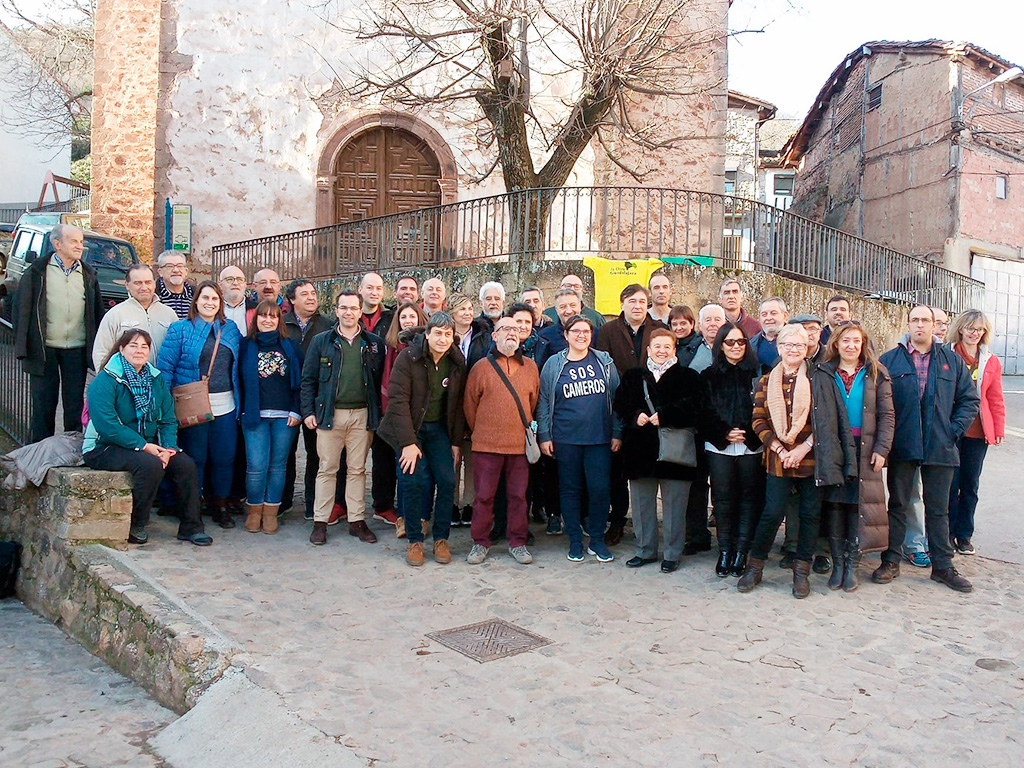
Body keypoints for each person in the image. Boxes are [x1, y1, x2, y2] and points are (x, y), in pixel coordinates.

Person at [737, 323, 856, 598]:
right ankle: (755, 567)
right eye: (788, 344)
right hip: (777, 459)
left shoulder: (819, 378)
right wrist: (779, 449)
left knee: (810, 515)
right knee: (771, 513)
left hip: (811, 457)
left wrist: (802, 448)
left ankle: (801, 572)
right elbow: (758, 420)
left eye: (799, 345)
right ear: (779, 348)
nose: (793, 349)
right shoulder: (765, 381)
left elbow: (826, 420)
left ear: (807, 349)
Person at [872, 305, 980, 593]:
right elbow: (879, 405)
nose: (920, 325)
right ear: (908, 324)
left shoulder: (952, 361)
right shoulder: (889, 361)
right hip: (903, 443)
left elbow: (969, 400)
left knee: (939, 509)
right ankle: (891, 560)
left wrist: (952, 431)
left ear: (935, 325)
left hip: (940, 445)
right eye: (915, 320)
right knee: (898, 504)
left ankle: (943, 566)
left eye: (926, 320)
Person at [82, 329, 212, 546]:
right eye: (133, 345)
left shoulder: (155, 379)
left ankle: (191, 527)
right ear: (122, 349)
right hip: (104, 446)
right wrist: (144, 446)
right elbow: (108, 426)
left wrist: (169, 448)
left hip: (148, 444)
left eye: (144, 347)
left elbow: (168, 418)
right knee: (149, 465)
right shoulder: (105, 381)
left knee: (186, 465)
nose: (139, 351)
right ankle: (137, 524)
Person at [614, 327, 708, 572]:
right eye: (657, 346)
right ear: (648, 350)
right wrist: (636, 416)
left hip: (675, 451)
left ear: (674, 349)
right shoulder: (634, 376)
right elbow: (620, 403)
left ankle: (672, 554)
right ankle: (645, 551)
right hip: (640, 451)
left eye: (667, 346)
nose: (662, 351)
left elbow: (697, 406)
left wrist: (666, 415)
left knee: (675, 507)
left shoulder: (688, 376)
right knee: (642, 506)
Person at [378, 312, 466, 567]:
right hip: (408, 429)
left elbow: (458, 404)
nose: (442, 338)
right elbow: (397, 402)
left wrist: (456, 441)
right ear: (427, 334)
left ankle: (441, 538)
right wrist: (407, 443)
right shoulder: (408, 358)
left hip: (438, 430)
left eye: (447, 334)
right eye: (437, 333)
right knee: (412, 481)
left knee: (448, 481)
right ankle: (415, 540)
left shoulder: (456, 362)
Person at [301, 290, 385, 546]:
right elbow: (308, 380)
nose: (349, 313)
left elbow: (379, 379)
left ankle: (357, 521)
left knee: (358, 470)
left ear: (361, 312)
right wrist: (308, 412)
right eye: (343, 308)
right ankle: (320, 521)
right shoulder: (321, 341)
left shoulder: (372, 343)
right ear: (336, 311)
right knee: (327, 469)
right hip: (330, 415)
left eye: (353, 308)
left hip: (362, 415)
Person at [157, 281, 242, 529]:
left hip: (225, 403)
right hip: (192, 404)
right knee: (196, 459)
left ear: (220, 303)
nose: (210, 303)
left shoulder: (231, 330)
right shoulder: (179, 329)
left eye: (215, 299)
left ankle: (220, 505)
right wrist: (165, 405)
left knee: (224, 457)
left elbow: (236, 367)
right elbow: (166, 368)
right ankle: (192, 505)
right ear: (196, 301)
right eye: (205, 298)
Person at [538, 314, 621, 562]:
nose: (581, 335)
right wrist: (544, 434)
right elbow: (543, 401)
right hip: (565, 439)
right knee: (570, 490)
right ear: (566, 335)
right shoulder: (554, 364)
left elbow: (617, 400)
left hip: (599, 439)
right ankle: (574, 539)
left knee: (599, 489)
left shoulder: (604, 362)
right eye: (576, 331)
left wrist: (617, 432)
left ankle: (596, 539)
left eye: (585, 331)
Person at [821, 322, 895, 592]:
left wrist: (881, 448)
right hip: (834, 446)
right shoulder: (824, 372)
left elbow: (887, 414)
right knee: (836, 504)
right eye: (845, 340)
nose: (851, 345)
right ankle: (837, 562)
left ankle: (853, 562)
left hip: (865, 446)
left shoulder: (877, 373)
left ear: (863, 344)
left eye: (856, 341)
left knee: (858, 505)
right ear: (836, 344)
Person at [15, 223, 103, 442]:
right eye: (74, 241)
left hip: (77, 349)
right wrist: (23, 347)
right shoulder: (37, 272)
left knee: (74, 405)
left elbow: (97, 313)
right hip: (44, 350)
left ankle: (71, 451)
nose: (80, 246)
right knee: (43, 406)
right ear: (57, 244)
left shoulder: (88, 274)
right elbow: (20, 309)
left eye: (81, 241)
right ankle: (39, 455)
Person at [463, 316, 540, 565]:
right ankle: (480, 542)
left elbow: (533, 403)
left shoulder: (530, 367)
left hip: (519, 446)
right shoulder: (480, 368)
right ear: (494, 336)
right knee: (484, 496)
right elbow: (470, 406)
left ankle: (517, 542)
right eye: (505, 328)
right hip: (486, 445)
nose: (512, 333)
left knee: (518, 496)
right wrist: (485, 431)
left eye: (516, 329)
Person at [596, 283, 665, 546]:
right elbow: (604, 366)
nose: (637, 306)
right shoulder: (607, 330)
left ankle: (648, 525)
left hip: (651, 412)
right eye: (632, 301)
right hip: (620, 407)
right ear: (622, 303)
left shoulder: (659, 329)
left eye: (642, 301)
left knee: (648, 468)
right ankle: (617, 520)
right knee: (617, 469)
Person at [700, 323, 764, 578]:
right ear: (721, 345)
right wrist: (723, 432)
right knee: (723, 500)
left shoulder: (759, 373)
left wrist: (748, 432)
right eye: (730, 342)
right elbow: (703, 412)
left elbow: (767, 410)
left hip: (751, 445)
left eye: (740, 342)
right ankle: (725, 550)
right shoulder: (708, 375)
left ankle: (741, 551)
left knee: (749, 499)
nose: (736, 346)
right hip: (719, 447)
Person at [238, 300, 303, 534]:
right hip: (255, 415)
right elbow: (237, 380)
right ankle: (254, 510)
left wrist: (298, 410)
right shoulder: (245, 346)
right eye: (263, 316)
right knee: (256, 465)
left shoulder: (291, 346)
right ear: (256, 320)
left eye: (273, 316)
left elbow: (302, 382)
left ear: (279, 320)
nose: (268, 320)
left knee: (277, 466)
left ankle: (271, 512)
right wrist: (242, 409)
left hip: (285, 416)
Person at [946, 309, 1004, 556]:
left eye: (979, 329)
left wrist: (998, 427)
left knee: (970, 485)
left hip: (978, 432)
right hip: (950, 429)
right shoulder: (947, 354)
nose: (974, 333)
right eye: (970, 328)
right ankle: (946, 533)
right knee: (949, 484)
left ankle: (964, 534)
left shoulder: (990, 360)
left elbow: (995, 397)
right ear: (961, 328)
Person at [281, 279, 334, 520]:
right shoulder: (282, 324)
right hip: (287, 398)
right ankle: (282, 501)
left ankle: (314, 504)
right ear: (292, 299)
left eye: (313, 293)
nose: (311, 297)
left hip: (317, 398)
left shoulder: (328, 325)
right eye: (304, 294)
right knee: (285, 452)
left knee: (317, 453)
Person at [382, 301, 430, 537]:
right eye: (403, 317)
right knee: (405, 471)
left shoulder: (429, 348)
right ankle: (403, 517)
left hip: (425, 419)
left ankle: (422, 517)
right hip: (401, 419)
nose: (408, 321)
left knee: (425, 472)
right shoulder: (391, 350)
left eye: (412, 316)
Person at [92, 264, 177, 371]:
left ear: (154, 284)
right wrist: (107, 381)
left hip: (161, 381)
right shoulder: (115, 314)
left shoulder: (169, 314)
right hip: (126, 382)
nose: (144, 287)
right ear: (127, 285)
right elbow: (101, 352)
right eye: (138, 283)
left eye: (148, 282)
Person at [750, 297, 788, 371]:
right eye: (764, 314)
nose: (768, 318)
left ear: (785, 316)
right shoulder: (752, 344)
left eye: (773, 313)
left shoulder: (797, 342)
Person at [154, 250, 194, 320]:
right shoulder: (153, 296)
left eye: (180, 266)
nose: (176, 270)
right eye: (169, 266)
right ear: (160, 272)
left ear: (186, 271)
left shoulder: (196, 295)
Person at [687, 304, 726, 373]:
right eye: (708, 320)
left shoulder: (734, 348)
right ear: (700, 325)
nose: (713, 324)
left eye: (717, 320)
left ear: (725, 324)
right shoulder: (689, 350)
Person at [219, 266, 249, 335]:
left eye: (240, 280)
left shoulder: (255, 309)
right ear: (220, 285)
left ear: (245, 285)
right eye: (230, 279)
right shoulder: (212, 308)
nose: (235, 283)